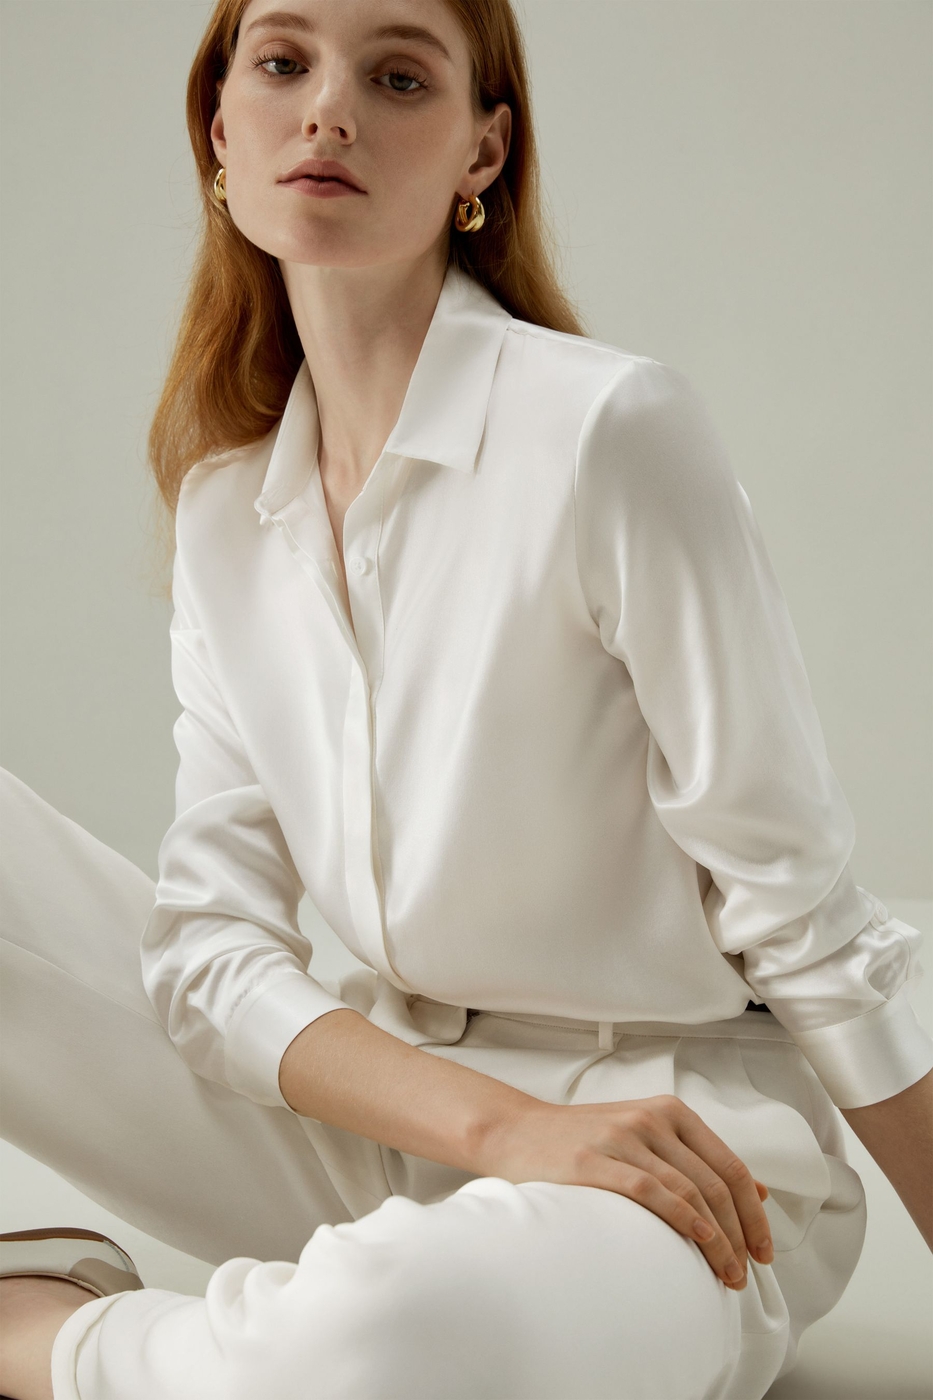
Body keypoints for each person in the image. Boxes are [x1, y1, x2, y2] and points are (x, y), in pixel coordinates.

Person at [1, 0, 931, 1396]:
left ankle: (49, 1335)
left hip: (677, 1162)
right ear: (219, 130)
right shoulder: (226, 511)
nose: (328, 110)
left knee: (387, 1347)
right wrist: (494, 1126)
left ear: (480, 154)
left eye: (397, 77)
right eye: (282, 63)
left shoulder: (608, 433)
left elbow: (807, 921)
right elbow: (213, 955)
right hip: (388, 1112)